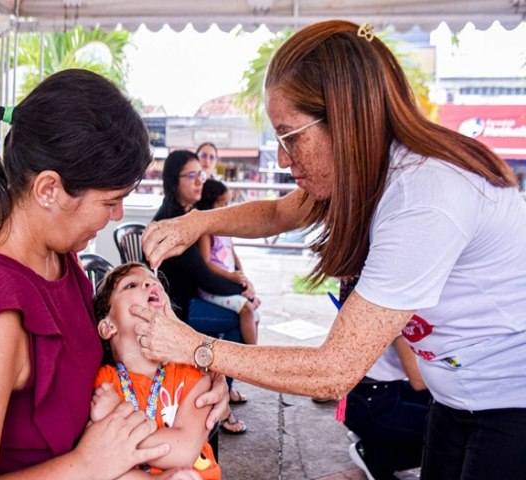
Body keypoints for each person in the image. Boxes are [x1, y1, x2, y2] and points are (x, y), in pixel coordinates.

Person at [136, 20, 526, 479]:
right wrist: (199, 221)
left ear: (343, 118)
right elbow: (281, 213)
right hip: (457, 395)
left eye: (290, 137)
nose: (282, 158)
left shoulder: (425, 196)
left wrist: (195, 347)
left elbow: (334, 370)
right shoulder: (372, 167)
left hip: (510, 399)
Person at [0, 69, 227, 479]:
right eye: (111, 201)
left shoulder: (56, 258)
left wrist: (197, 384)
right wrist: (85, 466)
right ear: (48, 189)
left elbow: (90, 366)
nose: (117, 215)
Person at [152, 149, 251, 433]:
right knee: (237, 320)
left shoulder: (185, 216)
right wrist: (242, 290)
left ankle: (224, 391)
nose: (200, 182)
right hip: (180, 310)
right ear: (174, 182)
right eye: (191, 176)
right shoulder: (171, 222)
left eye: (202, 175)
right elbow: (205, 276)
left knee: (243, 312)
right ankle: (222, 402)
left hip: (191, 299)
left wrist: (240, 285)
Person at [92, 262, 221, 479]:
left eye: (154, 281)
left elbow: (184, 451)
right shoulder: (103, 383)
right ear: (108, 326)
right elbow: (100, 464)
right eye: (131, 285)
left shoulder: (193, 373)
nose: (150, 282)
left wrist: (118, 423)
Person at [337, 280, 431, 480]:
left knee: (435, 403)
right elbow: (419, 381)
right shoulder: (397, 308)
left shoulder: (376, 291)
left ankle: (377, 440)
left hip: (358, 396)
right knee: (446, 427)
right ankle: (378, 456)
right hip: (370, 406)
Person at [194, 179, 260, 345]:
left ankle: (249, 357)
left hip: (229, 284)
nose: (226, 208)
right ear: (209, 206)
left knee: (255, 315)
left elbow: (232, 254)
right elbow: (206, 263)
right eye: (221, 204)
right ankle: (255, 359)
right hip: (214, 288)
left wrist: (244, 279)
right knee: (247, 309)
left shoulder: (224, 228)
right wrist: (230, 276)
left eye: (227, 203)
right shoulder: (206, 232)